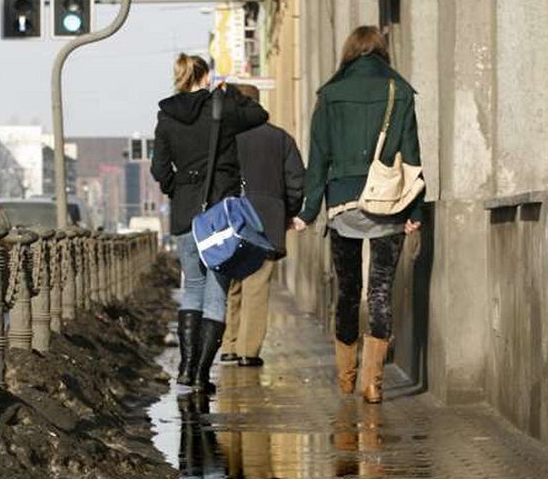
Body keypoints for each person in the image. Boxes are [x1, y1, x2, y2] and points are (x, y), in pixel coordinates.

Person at [294, 25, 424, 403]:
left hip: (342, 204)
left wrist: (308, 210)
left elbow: (317, 159)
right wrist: (415, 208)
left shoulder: (329, 95)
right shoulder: (399, 92)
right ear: (382, 51)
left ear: (350, 51)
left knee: (348, 291)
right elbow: (412, 155)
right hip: (389, 204)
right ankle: (373, 383)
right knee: (380, 290)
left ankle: (346, 377)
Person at [151, 54, 268, 394]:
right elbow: (260, 115)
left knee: (193, 287)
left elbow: (160, 169)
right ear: (205, 76)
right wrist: (229, 92)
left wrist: (180, 189)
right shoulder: (221, 108)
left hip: (186, 212)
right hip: (220, 214)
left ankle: (185, 370)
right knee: (217, 289)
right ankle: (202, 374)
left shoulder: (166, 116)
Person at [220, 84, 305, 368]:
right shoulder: (280, 138)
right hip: (267, 219)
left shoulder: (226, 138)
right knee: (256, 286)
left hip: (231, 219)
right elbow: (296, 181)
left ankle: (228, 345)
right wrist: (288, 212)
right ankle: (248, 351)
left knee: (232, 283)